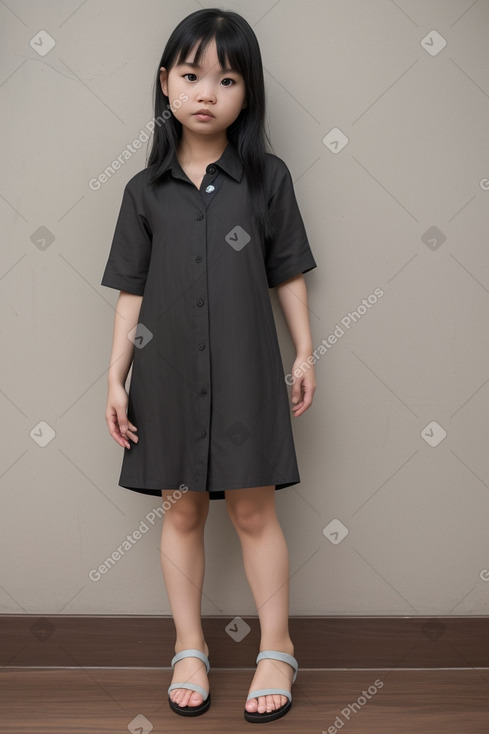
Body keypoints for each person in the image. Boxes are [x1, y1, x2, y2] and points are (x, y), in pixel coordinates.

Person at [101, 7, 317, 724]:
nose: (206, 93)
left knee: (255, 511)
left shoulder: (268, 179)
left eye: (226, 79)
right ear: (165, 83)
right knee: (181, 509)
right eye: (191, 76)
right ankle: (188, 647)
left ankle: (276, 648)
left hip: (250, 370)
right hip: (163, 376)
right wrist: (116, 377)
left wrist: (304, 352)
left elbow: (287, 271)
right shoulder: (143, 192)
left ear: (246, 93)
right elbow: (131, 293)